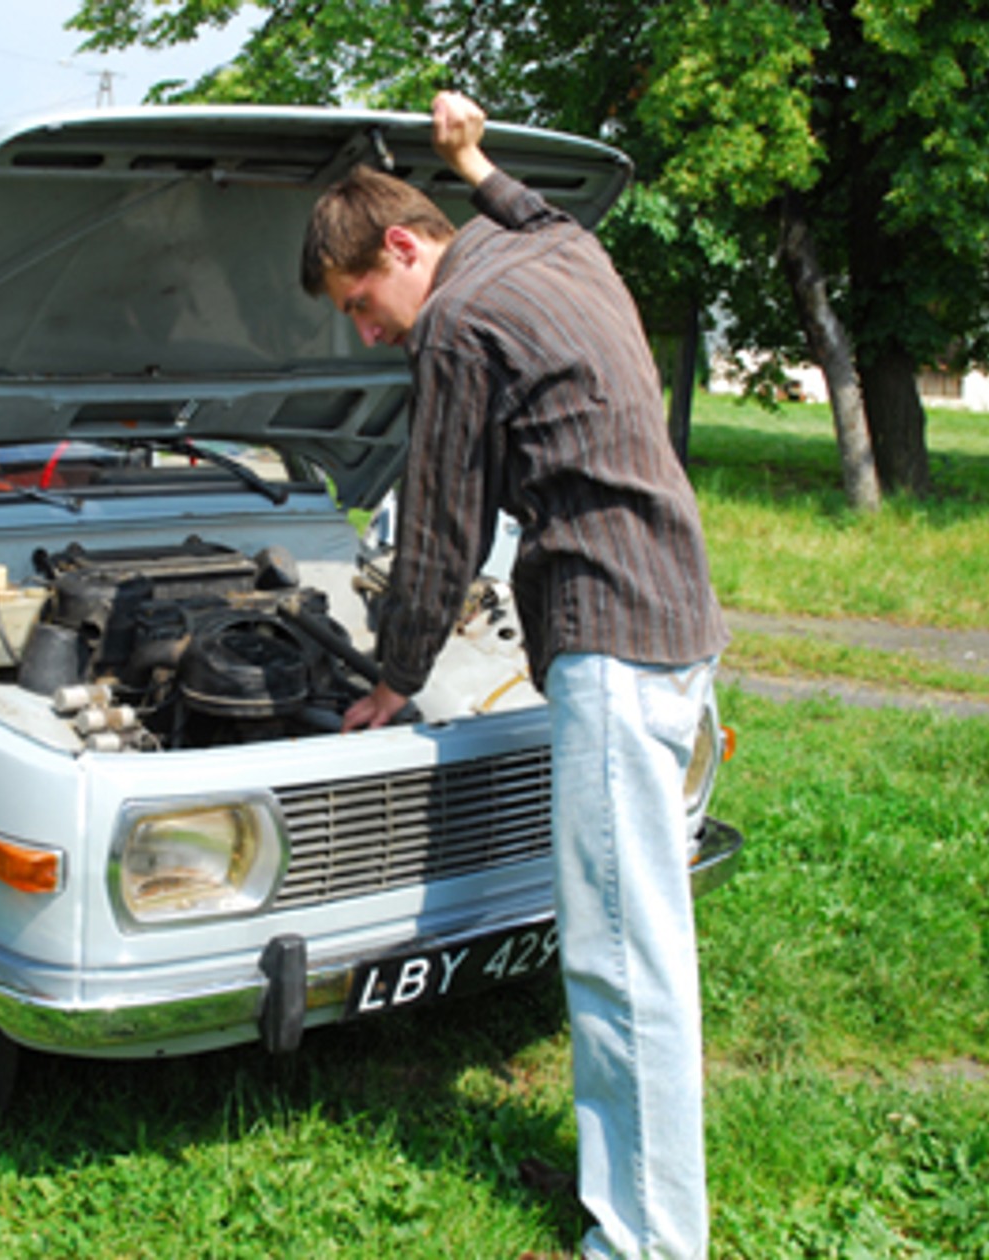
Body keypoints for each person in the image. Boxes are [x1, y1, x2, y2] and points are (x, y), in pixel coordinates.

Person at [313, 93, 730, 1259]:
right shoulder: (553, 246)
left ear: (402, 248)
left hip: (609, 638)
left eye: (360, 304)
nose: (364, 334)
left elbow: (443, 525)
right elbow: (524, 200)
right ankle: (629, 1194)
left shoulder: (457, 320)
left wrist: (394, 675)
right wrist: (467, 156)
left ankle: (644, 1242)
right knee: (632, 937)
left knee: (617, 959)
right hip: (677, 616)